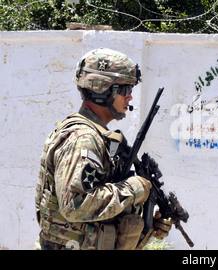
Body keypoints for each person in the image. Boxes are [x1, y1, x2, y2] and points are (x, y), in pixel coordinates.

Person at [35, 48, 172, 250]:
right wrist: (134, 188)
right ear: (102, 89)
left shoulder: (98, 136)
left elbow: (97, 209)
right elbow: (75, 205)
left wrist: (147, 222)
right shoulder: (83, 138)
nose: (130, 98)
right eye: (125, 90)